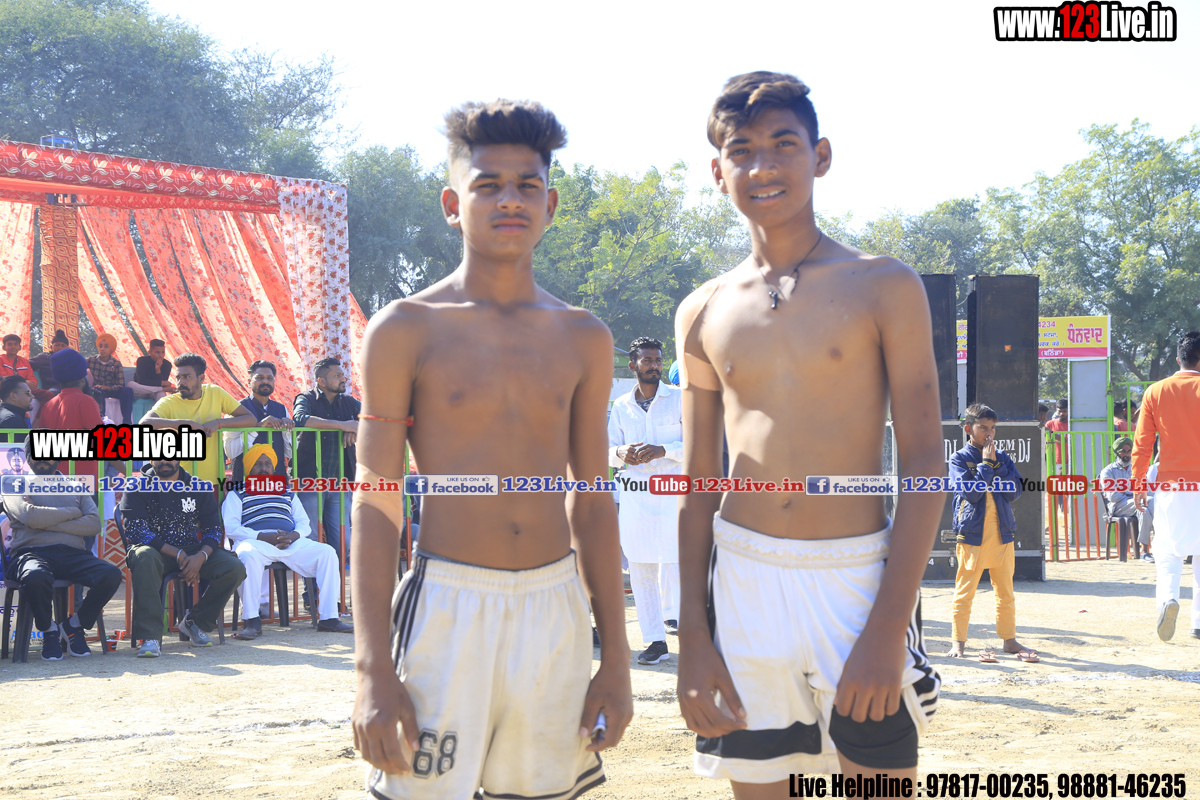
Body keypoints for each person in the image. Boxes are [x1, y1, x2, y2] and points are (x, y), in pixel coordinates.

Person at [350, 99, 632, 800]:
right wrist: (371, 669)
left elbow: (592, 501)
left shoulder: (584, 336)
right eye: (488, 185)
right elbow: (375, 500)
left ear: (550, 204)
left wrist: (616, 659)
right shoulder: (405, 328)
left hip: (555, 606)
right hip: (448, 604)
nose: (510, 199)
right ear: (453, 204)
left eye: (527, 185)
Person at [674, 72, 943, 789]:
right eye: (741, 150)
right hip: (743, 579)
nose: (762, 166)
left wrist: (887, 626)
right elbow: (697, 486)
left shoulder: (884, 284)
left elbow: (925, 463)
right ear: (718, 170)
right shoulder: (700, 311)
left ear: (820, 155)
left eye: (783, 144)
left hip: (855, 579)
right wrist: (693, 633)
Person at [2, 438, 121, 660]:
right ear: (28, 457)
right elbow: (29, 515)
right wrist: (73, 512)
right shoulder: (14, 484)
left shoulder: (76, 486)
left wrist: (43, 521)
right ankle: (49, 630)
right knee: (35, 576)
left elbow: (93, 524)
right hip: (30, 553)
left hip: (73, 554)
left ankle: (74, 625)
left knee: (111, 574)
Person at [119, 457, 247, 657]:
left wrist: (200, 557)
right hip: (153, 550)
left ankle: (195, 622)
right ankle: (150, 636)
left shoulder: (198, 486)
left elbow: (213, 530)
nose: (165, 460)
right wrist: (178, 554)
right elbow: (137, 532)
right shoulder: (137, 487)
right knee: (144, 556)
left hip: (191, 550)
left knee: (234, 567)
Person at [222, 445, 352, 638]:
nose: (264, 468)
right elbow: (231, 528)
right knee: (247, 555)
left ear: (273, 467)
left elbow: (304, 522)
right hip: (256, 542)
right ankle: (251, 620)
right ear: (249, 468)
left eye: (267, 464)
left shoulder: (286, 491)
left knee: (327, 553)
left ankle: (329, 618)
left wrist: (293, 536)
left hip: (289, 541)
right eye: (258, 464)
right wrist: (263, 537)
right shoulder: (237, 492)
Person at [607, 336, 682, 665]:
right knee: (640, 568)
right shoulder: (622, 405)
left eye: (658, 360)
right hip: (636, 496)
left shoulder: (679, 399)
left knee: (678, 564)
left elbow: (698, 443)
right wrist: (622, 452)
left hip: (674, 493)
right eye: (647, 360)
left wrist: (664, 450)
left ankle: (689, 631)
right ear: (632, 365)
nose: (654, 365)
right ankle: (655, 641)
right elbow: (608, 450)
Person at [945, 404, 1032, 662]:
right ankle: (958, 642)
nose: (989, 433)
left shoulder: (1002, 457)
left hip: (1002, 533)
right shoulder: (959, 459)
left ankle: (1009, 640)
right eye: (983, 427)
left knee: (1005, 592)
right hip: (972, 534)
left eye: (993, 428)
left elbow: (1015, 492)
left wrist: (997, 466)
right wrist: (985, 465)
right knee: (965, 592)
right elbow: (971, 494)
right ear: (968, 429)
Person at [1133, 331, 1200, 642]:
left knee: (1167, 552)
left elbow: (1142, 444)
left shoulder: (1156, 391)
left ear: (1178, 359)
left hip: (1171, 485)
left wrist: (1138, 484)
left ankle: (1168, 600)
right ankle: (1199, 623)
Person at [142, 353, 270, 486]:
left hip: (214, 482)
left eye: (187, 377)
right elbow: (144, 423)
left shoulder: (215, 392)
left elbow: (251, 419)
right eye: (178, 377)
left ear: (201, 378)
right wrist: (186, 424)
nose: (181, 382)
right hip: (181, 483)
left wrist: (218, 423)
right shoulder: (169, 402)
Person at [293, 357, 359, 564]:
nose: (343, 378)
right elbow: (300, 418)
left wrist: (355, 427)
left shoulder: (348, 402)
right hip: (309, 481)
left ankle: (335, 584)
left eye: (342, 374)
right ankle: (311, 586)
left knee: (343, 542)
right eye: (337, 375)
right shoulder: (306, 397)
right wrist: (343, 425)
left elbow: (374, 416)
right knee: (310, 538)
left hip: (340, 482)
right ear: (321, 381)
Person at [36, 349, 103, 485]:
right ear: (82, 377)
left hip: (55, 483)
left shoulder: (48, 405)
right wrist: (128, 473)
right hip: (84, 483)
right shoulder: (86, 401)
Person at [224, 360, 293, 482]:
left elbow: (290, 453)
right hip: (244, 482)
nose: (265, 381)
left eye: (269, 378)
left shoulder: (281, 409)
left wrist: (287, 430)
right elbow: (231, 452)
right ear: (249, 382)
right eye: (260, 378)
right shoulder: (236, 409)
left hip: (277, 481)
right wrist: (257, 429)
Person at [1100, 437, 1140, 557]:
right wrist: (1132, 494)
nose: (1126, 455)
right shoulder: (1108, 471)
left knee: (1147, 508)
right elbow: (1113, 496)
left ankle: (1143, 551)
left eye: (1129, 451)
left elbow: (1145, 489)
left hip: (1135, 504)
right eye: (1123, 451)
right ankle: (1143, 550)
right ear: (1117, 453)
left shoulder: (1136, 469)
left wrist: (1125, 493)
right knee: (1146, 504)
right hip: (1117, 507)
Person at [87, 333, 134, 424]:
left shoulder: (116, 363)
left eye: (106, 346)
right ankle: (101, 421)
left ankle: (127, 422)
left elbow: (121, 384)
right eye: (100, 346)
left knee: (128, 391)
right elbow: (78, 365)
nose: (102, 349)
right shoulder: (91, 360)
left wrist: (108, 388)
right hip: (99, 389)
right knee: (97, 391)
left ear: (111, 348)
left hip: (112, 389)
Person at [0, 375, 33, 442]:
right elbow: (20, 448)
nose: (32, 396)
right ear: (13, 396)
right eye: (28, 393)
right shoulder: (12, 420)